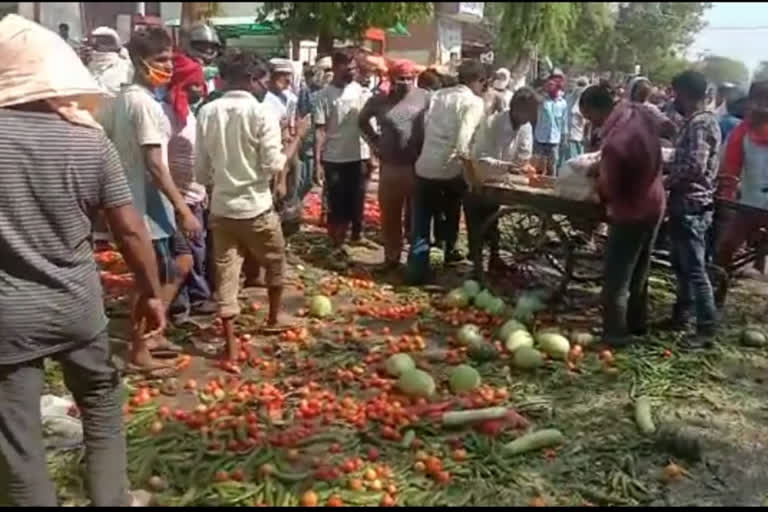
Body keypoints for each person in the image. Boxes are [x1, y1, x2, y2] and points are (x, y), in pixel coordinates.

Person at [0, 14, 161, 506]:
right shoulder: (88, 139)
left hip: (8, 318)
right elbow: (130, 229)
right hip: (77, 307)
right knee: (100, 406)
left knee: (18, 442)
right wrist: (151, 293)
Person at [101, 27, 203, 374]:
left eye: (170, 60)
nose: (168, 67)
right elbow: (155, 165)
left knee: (179, 263)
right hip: (144, 205)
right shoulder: (142, 104)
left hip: (142, 202)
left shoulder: (122, 100)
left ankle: (151, 334)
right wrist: (183, 207)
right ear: (138, 61)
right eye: (160, 60)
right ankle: (139, 349)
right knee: (148, 278)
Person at [195, 52, 308, 361]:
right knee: (275, 261)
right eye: (261, 81)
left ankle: (230, 345)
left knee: (226, 275)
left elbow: (201, 171)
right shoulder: (261, 114)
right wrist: (296, 138)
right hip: (256, 207)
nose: (265, 87)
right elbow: (274, 164)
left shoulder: (207, 112)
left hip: (221, 209)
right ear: (248, 79)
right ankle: (273, 318)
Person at [579, 85, 665, 347]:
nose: (590, 123)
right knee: (640, 271)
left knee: (617, 277)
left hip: (631, 212)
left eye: (588, 116)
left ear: (596, 109)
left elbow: (609, 189)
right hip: (655, 202)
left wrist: (596, 188)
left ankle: (614, 334)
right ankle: (637, 325)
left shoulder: (616, 143)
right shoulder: (638, 113)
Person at [408, 60, 487, 283]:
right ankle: (446, 257)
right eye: (483, 83)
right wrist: (474, 180)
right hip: (449, 171)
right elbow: (463, 146)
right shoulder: (474, 102)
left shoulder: (438, 96)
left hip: (424, 166)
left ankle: (416, 270)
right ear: (478, 81)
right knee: (451, 215)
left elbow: (423, 128)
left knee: (422, 222)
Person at [662, 70, 721, 349]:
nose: (674, 100)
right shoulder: (698, 122)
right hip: (688, 203)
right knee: (682, 265)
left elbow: (695, 165)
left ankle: (706, 328)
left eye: (676, 94)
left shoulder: (699, 124)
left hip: (691, 204)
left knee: (695, 269)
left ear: (685, 93)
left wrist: (665, 180)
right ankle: (681, 316)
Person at [162, 52, 217, 323]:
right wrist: (180, 202)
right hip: (179, 198)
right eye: (195, 84)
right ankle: (183, 304)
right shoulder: (168, 116)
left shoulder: (188, 114)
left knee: (195, 250)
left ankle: (192, 299)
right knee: (186, 253)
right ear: (182, 85)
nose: (201, 89)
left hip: (194, 195)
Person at [359, 59, 428, 271]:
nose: (406, 83)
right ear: (391, 79)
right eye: (401, 79)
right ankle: (391, 258)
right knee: (390, 216)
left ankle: (416, 262)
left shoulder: (426, 98)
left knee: (417, 217)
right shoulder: (379, 100)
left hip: (417, 167)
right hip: (389, 167)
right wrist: (375, 143)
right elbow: (362, 120)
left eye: (410, 79)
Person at [465, 87, 539, 278]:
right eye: (527, 111)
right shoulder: (492, 123)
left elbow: (524, 156)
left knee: (493, 222)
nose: (529, 116)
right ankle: (477, 267)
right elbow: (481, 158)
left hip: (500, 182)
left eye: (532, 112)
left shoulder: (526, 127)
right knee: (477, 224)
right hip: (478, 178)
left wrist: (520, 166)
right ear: (514, 107)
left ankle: (493, 260)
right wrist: (510, 166)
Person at [714, 81, 768, 306]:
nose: (760, 106)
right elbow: (728, 168)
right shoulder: (741, 132)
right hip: (746, 205)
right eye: (756, 101)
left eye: (765, 101)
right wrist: (727, 194)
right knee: (725, 249)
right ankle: (718, 296)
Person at [313, 50, 371, 260]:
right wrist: (318, 163)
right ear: (337, 67)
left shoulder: (361, 91)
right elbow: (320, 131)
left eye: (354, 67)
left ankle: (356, 235)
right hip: (334, 158)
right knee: (337, 203)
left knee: (357, 198)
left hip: (359, 155)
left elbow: (367, 125)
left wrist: (372, 153)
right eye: (348, 67)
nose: (352, 71)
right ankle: (337, 242)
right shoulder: (324, 96)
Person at [533, 71, 567, 175]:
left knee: (552, 166)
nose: (551, 86)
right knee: (537, 166)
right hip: (540, 138)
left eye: (554, 84)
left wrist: (564, 138)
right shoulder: (541, 99)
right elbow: (533, 93)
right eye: (549, 84)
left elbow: (564, 122)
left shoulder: (562, 103)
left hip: (554, 140)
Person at [183, 23, 222, 93]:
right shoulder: (182, 68)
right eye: (203, 46)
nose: (208, 50)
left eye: (211, 46)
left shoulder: (218, 73)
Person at [559, 76, 589, 166]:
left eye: (583, 85)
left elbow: (587, 121)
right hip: (566, 136)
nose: (580, 88)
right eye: (579, 85)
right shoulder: (568, 98)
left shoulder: (586, 101)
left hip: (578, 137)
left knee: (574, 163)